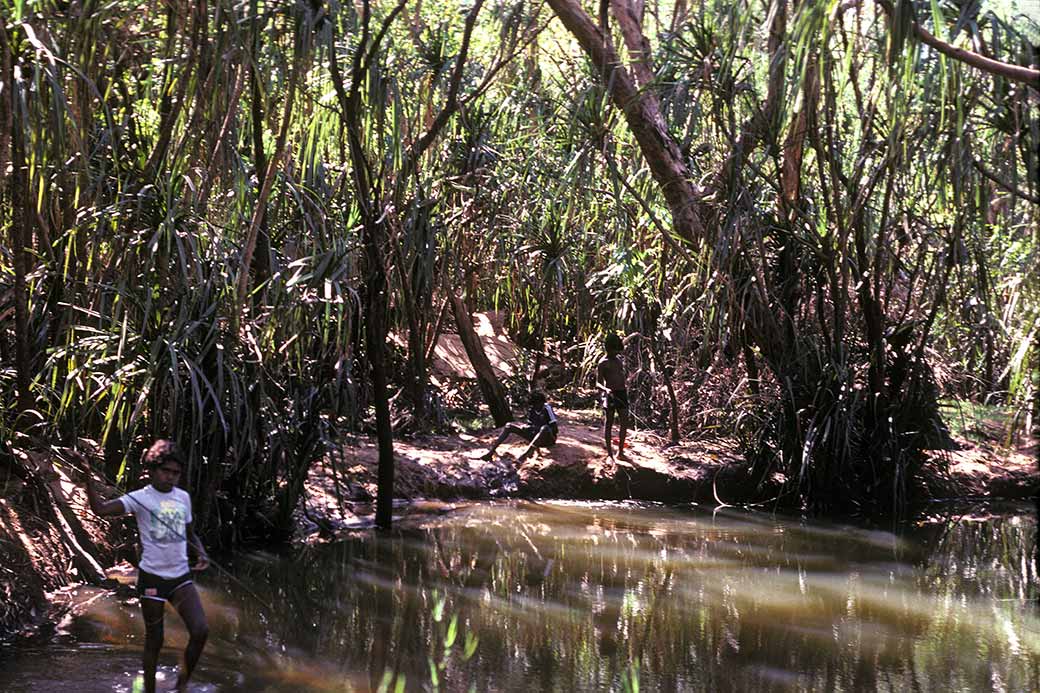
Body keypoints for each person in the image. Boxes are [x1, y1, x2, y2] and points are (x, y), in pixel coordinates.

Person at [82, 439, 210, 693]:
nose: (170, 477)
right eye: (165, 471)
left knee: (201, 631)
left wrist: (201, 552)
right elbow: (100, 510)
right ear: (152, 470)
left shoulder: (182, 498)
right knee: (156, 640)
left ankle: (181, 687)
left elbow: (190, 534)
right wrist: (87, 476)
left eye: (176, 473)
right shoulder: (140, 498)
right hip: (152, 580)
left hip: (181, 578)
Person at [479, 391, 559, 462]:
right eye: (533, 405)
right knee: (509, 426)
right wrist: (527, 427)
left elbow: (555, 429)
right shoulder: (532, 410)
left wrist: (534, 428)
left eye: (537, 404)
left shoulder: (547, 408)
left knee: (544, 428)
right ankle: (491, 452)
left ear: (541, 402)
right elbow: (530, 425)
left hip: (548, 439)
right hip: (534, 437)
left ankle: (524, 456)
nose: (535, 407)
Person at [597, 333, 629, 460]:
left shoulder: (618, 361)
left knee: (624, 421)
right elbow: (598, 383)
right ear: (608, 348)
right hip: (610, 394)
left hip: (622, 393)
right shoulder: (603, 363)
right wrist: (606, 389)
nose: (616, 352)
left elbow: (621, 376)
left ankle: (620, 451)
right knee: (609, 423)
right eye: (614, 349)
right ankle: (609, 453)